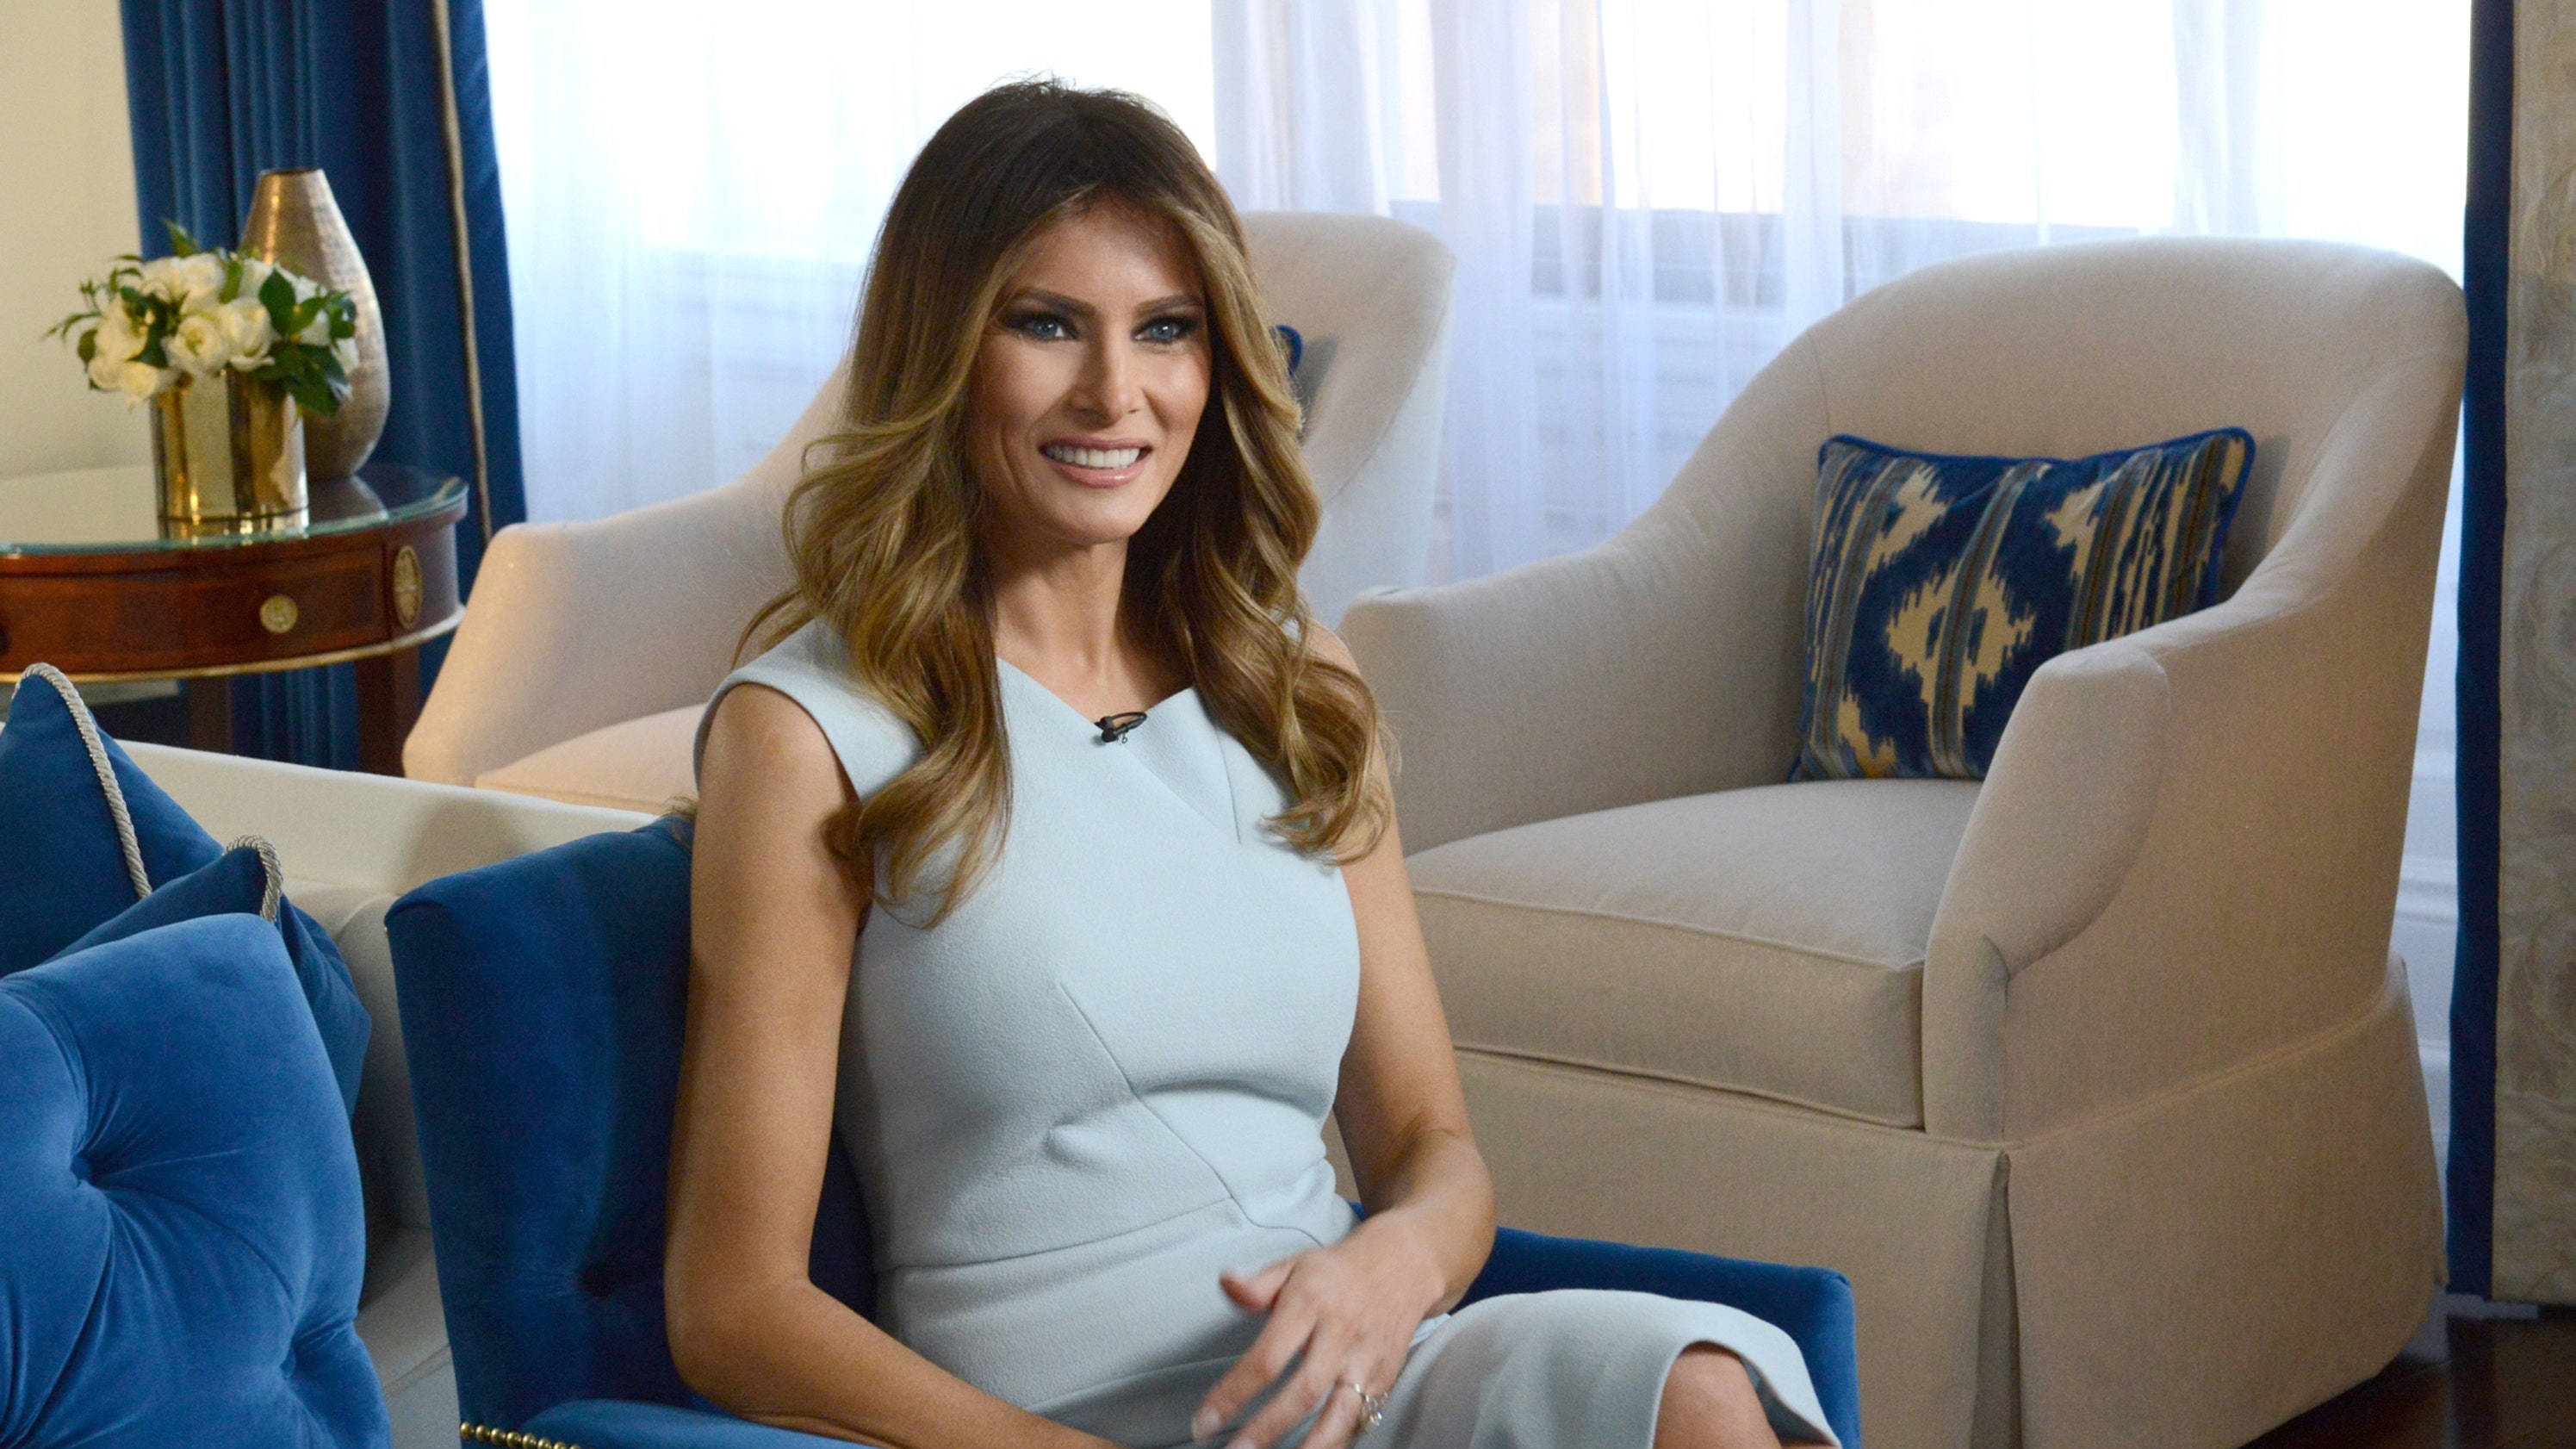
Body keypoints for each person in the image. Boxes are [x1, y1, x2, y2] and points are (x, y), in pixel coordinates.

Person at [666, 78, 1836, 1449]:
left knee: (1698, 1388)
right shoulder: (808, 733)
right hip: (1053, 1422)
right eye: (1047, 324)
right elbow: (732, 1303)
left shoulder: (1296, 685)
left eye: (1165, 329)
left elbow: (1433, 1150)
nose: (1117, 392)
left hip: (1359, 1388)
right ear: (942, 350)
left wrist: (1393, 1263)